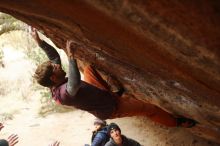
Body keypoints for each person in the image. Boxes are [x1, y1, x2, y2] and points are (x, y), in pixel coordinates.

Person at [31, 28, 197, 128]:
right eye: (55, 68)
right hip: (110, 106)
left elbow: (53, 58)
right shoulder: (63, 95)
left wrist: (40, 43)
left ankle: (116, 91)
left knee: (89, 69)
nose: (57, 65)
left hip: (97, 93)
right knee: (150, 110)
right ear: (54, 78)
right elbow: (73, 85)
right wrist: (72, 58)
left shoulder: (55, 80)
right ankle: (177, 123)